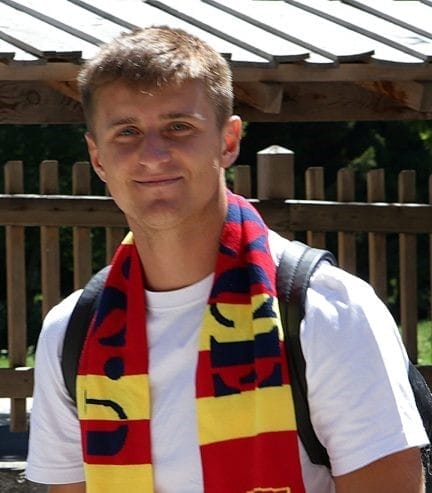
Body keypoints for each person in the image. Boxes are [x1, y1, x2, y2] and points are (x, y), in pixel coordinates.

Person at [25, 26, 428, 493]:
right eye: (126, 131)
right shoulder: (71, 333)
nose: (152, 155)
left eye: (179, 127)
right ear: (97, 156)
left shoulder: (326, 311)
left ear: (228, 141)